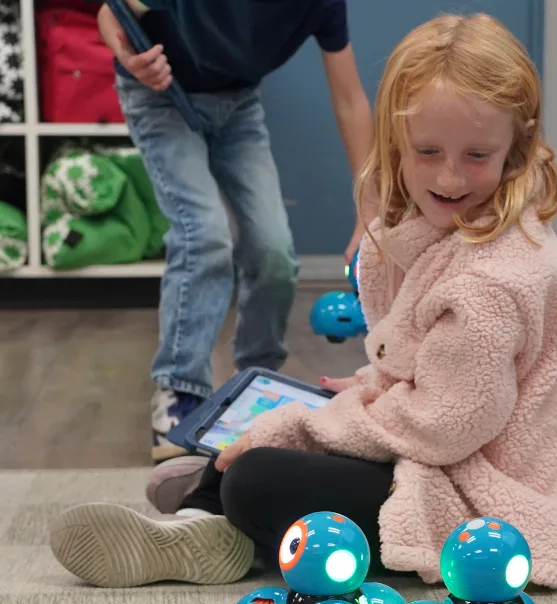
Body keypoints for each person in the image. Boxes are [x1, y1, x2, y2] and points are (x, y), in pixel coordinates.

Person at [49, 13, 557, 591]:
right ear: (397, 138)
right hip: (445, 447)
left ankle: (216, 501)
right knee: (288, 433)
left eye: (477, 156)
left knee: (259, 475)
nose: (450, 176)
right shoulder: (439, 231)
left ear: (517, 143)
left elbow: (446, 424)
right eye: (428, 150)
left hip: (482, 497)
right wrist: (368, 390)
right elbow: (430, 368)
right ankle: (200, 517)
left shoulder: (494, 280)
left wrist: (311, 427)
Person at [97, 0, 375, 462]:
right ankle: (179, 388)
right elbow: (114, 12)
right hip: (160, 98)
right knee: (204, 235)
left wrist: (369, 209)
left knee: (275, 255)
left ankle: (257, 383)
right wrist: (129, 58)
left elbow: (350, 99)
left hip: (238, 106)